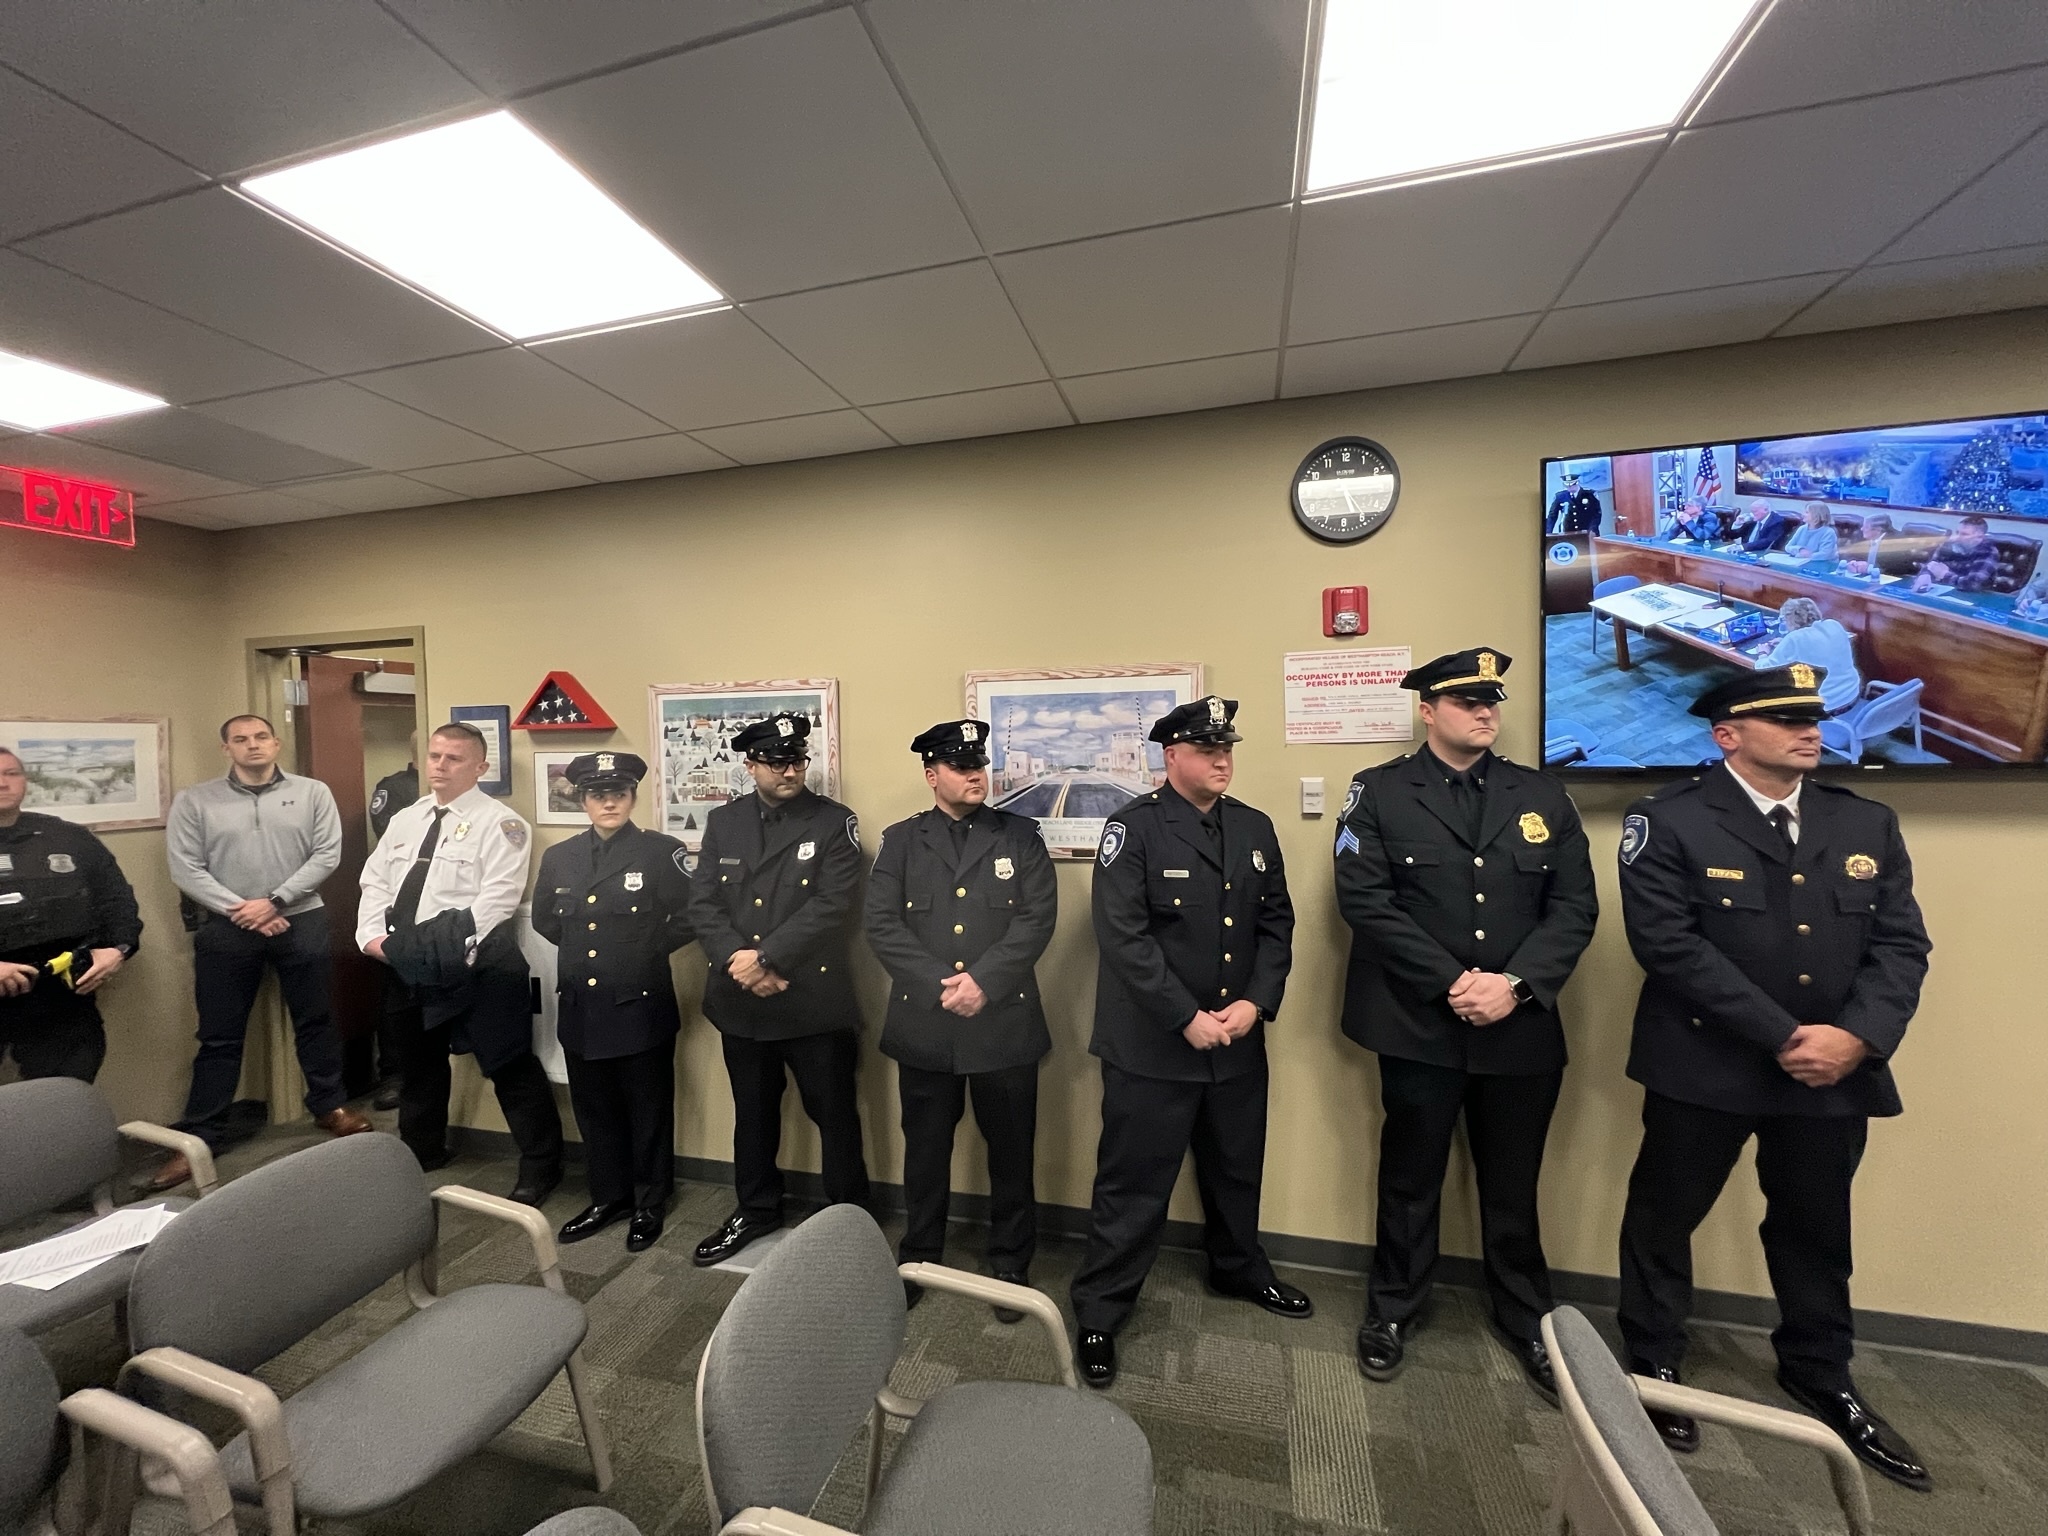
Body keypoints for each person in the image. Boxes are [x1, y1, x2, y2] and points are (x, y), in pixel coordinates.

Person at [1615, 664, 1933, 1490]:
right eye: (1785, 718)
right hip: (1705, 1062)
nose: (1810, 729)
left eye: (1814, 717)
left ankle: (1820, 1370)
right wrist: (1788, 1034)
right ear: (1728, 735)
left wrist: (1857, 1039)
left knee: (1816, 1229)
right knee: (1664, 1216)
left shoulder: (1865, 821)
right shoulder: (1669, 820)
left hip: (1831, 1076)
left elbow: (1902, 947)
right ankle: (1653, 1364)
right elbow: (1669, 945)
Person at [1333, 648, 1597, 1401]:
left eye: (1492, 701)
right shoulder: (1378, 792)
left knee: (1513, 1187)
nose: (1484, 712)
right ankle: (1392, 1310)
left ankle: (1527, 1323)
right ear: (1428, 710)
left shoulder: (1542, 794)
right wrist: (1455, 981)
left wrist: (1512, 985)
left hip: (1518, 1026)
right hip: (1418, 1024)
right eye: (1466, 701)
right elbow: (1366, 902)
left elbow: (1576, 907)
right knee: (1410, 1180)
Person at [1070, 696, 1307, 1391]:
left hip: (1236, 1039)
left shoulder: (1256, 828)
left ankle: (1239, 1270)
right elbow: (1124, 937)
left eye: (1227, 748)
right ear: (1171, 758)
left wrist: (1255, 1003)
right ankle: (1101, 1310)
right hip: (1152, 1047)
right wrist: (1185, 1016)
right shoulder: (1131, 829)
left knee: (1236, 1169)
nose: (1222, 760)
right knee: (1133, 1183)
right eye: (1207, 750)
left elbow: (1277, 924)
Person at [864, 719, 1057, 1316]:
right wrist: (939, 985)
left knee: (1011, 1151)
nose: (976, 773)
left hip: (1002, 1022)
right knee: (924, 1151)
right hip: (926, 1021)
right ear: (932, 776)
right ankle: (920, 1254)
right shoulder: (900, 841)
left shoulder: (1020, 835)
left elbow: (1036, 919)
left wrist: (984, 984)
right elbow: (882, 923)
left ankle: (1009, 1263)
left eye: (979, 763)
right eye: (959, 764)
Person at [153, 715, 369, 1191]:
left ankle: (329, 1106)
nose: (253, 746)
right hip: (227, 930)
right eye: (241, 740)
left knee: (316, 1019)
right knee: (219, 1036)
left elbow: (327, 854)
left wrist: (274, 901)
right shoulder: (196, 800)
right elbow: (185, 868)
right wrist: (243, 910)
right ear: (226, 748)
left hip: (301, 919)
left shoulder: (313, 792)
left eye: (261, 738)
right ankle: (200, 1136)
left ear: (277, 743)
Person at [687, 713, 870, 1266]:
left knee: (834, 1116)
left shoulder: (834, 822)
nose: (789, 770)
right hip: (743, 1000)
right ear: (751, 766)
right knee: (754, 1113)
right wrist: (740, 963)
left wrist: (767, 957)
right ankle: (758, 1208)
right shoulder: (724, 822)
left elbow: (835, 905)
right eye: (776, 761)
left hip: (812, 1002)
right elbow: (703, 903)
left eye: (797, 760)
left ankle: (850, 1218)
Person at [358, 722, 564, 1203]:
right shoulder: (407, 819)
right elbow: (375, 883)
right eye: (434, 756)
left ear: (480, 767)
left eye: (453, 759)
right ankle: (422, 1152)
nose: (440, 766)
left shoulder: (504, 824)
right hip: (405, 962)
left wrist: (439, 948)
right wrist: (373, 940)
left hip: (477, 964)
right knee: (418, 1067)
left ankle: (540, 1167)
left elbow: (498, 900)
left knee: (509, 1068)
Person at [535, 752, 694, 1253]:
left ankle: (649, 1201)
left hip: (639, 1003)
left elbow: (694, 914)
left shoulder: (659, 853)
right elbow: (546, 920)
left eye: (619, 793)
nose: (609, 801)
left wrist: (645, 948)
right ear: (582, 799)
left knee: (646, 1110)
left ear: (632, 797)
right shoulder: (560, 857)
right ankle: (608, 1197)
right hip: (582, 1003)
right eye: (598, 794)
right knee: (595, 1109)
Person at [0, 746, 141, 1083]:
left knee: (65, 1096)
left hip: (59, 996)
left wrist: (117, 949)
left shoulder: (68, 837)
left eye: (11, 774)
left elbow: (117, 902)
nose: (3, 783)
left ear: (25, 782)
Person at [366, 735, 420, 1109]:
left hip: (445, 912)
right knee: (397, 1000)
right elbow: (400, 844)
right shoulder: (395, 789)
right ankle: (394, 1075)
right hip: (401, 908)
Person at [1763, 599, 1861, 713]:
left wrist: (1763, 653)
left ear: (1790, 619)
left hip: (1827, 705)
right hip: (1852, 694)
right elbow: (1818, 646)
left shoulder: (1795, 639)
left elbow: (1764, 667)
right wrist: (1785, 644)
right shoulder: (1833, 624)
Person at [1915, 514, 2000, 593]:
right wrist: (1925, 575)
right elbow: (1932, 565)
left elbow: (1973, 584)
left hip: (1974, 600)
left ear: (1980, 537)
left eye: (1964, 534)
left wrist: (1944, 574)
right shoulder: (1949, 545)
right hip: (1943, 592)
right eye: (1957, 532)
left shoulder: (1988, 551)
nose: (1958, 537)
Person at [1733, 500, 1797, 553]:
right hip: (1745, 552)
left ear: (1766, 510)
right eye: (1751, 511)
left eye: (1755, 511)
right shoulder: (1752, 519)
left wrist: (1743, 547)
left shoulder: (1777, 521)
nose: (1752, 514)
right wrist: (1737, 524)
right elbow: (1733, 536)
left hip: (1763, 553)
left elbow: (1768, 541)